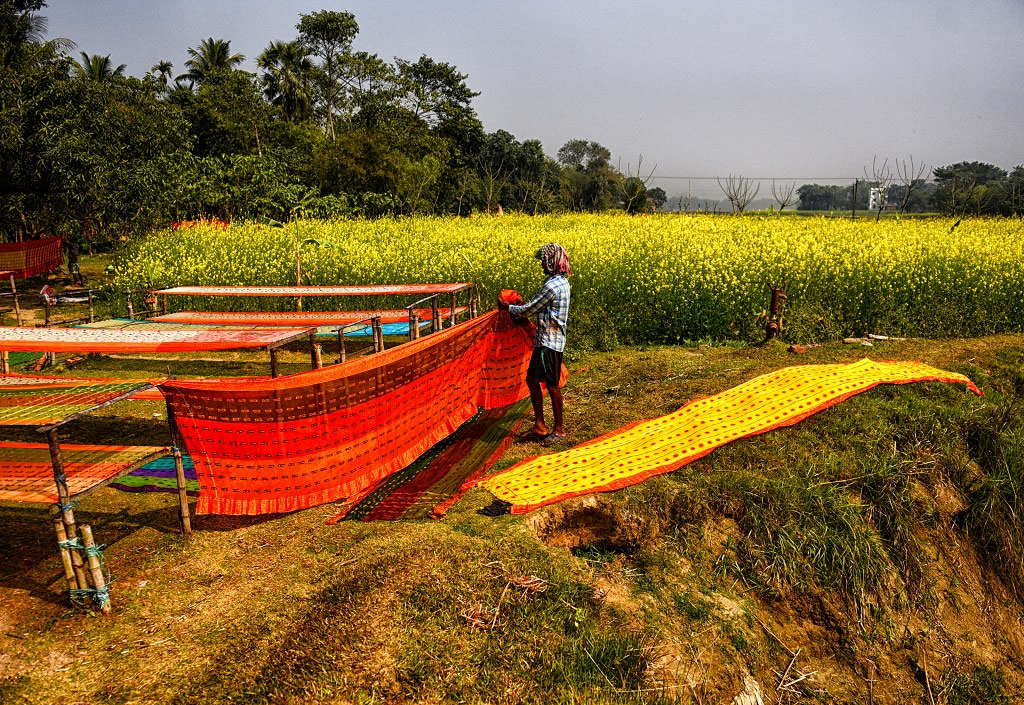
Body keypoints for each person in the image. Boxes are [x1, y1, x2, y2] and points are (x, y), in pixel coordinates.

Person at [500, 243, 571, 446]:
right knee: (532, 379)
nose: (542, 265)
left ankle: (559, 430)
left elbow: (531, 308)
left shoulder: (552, 286)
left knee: (552, 384)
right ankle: (540, 425)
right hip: (548, 340)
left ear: (552, 262)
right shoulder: (562, 282)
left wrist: (510, 307)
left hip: (549, 343)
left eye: (544, 261)